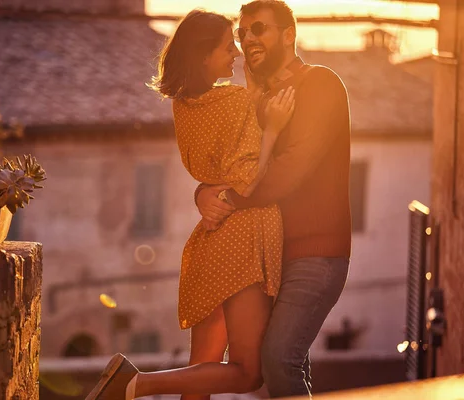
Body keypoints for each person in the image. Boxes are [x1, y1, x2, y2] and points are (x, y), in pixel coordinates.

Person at [85, 8, 295, 400]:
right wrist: (275, 129)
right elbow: (251, 179)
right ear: (203, 55)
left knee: (201, 375)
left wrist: (203, 192)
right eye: (226, 46)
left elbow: (213, 174)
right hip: (242, 240)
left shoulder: (185, 105)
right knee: (248, 373)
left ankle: (132, 384)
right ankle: (136, 384)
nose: (235, 52)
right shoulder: (233, 102)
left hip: (213, 240)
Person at [195, 1, 352, 398]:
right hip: (268, 257)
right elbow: (231, 165)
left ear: (288, 35)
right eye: (242, 33)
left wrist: (228, 200)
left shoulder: (320, 84)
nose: (247, 39)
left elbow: (289, 168)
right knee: (279, 366)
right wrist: (203, 193)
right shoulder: (255, 100)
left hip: (315, 255)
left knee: (279, 359)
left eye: (259, 29)